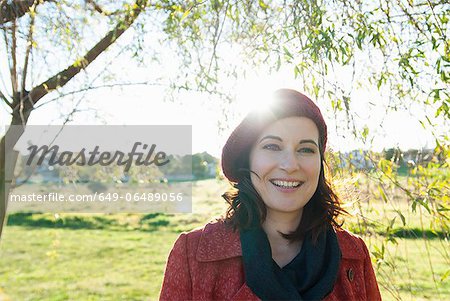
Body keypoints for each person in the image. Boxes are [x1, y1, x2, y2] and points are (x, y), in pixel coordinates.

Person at [160, 89, 382, 300]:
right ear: (248, 159)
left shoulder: (353, 255)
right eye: (272, 146)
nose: (290, 164)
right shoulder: (193, 254)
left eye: (306, 149)